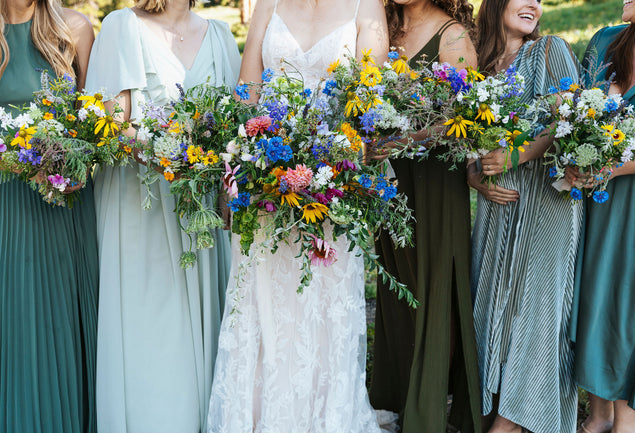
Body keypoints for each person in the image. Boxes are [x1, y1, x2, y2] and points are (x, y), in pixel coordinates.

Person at [206, 0, 390, 431]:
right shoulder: (267, 3)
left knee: (322, 310)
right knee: (263, 304)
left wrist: (328, 170)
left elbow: (369, 107)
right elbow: (247, 95)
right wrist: (238, 171)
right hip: (266, 188)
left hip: (330, 189)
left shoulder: (366, 8)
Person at [84, 1, 240, 432]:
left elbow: (236, 127)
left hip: (202, 214)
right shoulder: (123, 28)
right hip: (141, 210)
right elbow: (112, 123)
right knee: (151, 332)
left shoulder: (221, 38)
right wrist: (172, 157)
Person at [367, 1, 482, 432]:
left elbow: (463, 115)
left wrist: (408, 138)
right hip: (392, 178)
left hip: (434, 180)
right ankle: (395, 395)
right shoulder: (383, 27)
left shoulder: (451, 36)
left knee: (435, 282)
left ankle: (431, 403)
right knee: (398, 283)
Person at [468, 0, 583, 432]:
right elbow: (468, 142)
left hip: (549, 203)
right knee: (494, 299)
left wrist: (513, 155)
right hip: (497, 208)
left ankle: (515, 421)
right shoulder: (479, 65)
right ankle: (492, 403)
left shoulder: (551, 50)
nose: (533, 3)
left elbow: (565, 119)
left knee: (537, 307)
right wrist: (475, 177)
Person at [0, 1, 98, 432]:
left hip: (64, 208)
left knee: (61, 327)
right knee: (18, 326)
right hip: (8, 207)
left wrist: (71, 161)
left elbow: (96, 124)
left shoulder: (74, 29)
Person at [569, 1, 635, 431]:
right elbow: (574, 112)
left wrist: (617, 165)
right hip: (593, 201)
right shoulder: (603, 42)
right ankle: (598, 413)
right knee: (594, 294)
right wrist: (574, 155)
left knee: (629, 298)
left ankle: (627, 418)